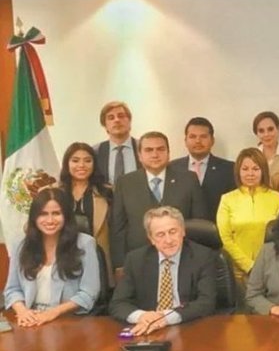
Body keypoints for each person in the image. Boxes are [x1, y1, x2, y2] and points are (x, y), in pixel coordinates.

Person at [111, 131, 209, 277]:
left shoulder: (188, 179)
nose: (155, 154)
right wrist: (119, 265)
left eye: (160, 149)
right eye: (149, 150)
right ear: (139, 155)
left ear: (168, 153)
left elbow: (199, 222)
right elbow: (118, 228)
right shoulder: (125, 182)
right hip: (139, 262)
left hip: (183, 260)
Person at [109, 206, 217, 336]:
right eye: (160, 234)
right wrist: (142, 316)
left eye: (173, 231)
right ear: (151, 238)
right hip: (148, 329)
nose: (168, 240)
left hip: (189, 328)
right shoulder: (136, 260)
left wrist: (166, 318)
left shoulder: (203, 256)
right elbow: (118, 303)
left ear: (183, 231)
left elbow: (206, 302)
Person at [3, 188, 100, 326]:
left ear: (66, 216)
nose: (50, 220)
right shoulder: (20, 245)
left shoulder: (85, 243)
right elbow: (12, 290)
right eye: (43, 214)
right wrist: (23, 311)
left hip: (70, 321)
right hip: (31, 319)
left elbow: (89, 293)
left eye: (56, 213)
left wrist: (53, 313)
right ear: (34, 217)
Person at [217, 148, 279, 304]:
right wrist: (249, 265)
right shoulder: (227, 199)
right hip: (238, 273)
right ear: (238, 171)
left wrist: (262, 267)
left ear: (263, 171)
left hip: (271, 270)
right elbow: (225, 238)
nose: (250, 173)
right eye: (245, 169)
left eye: (255, 169)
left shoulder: (277, 198)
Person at [57, 142, 114, 283]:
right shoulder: (53, 192)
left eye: (88, 160)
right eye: (75, 160)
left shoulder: (108, 192)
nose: (81, 165)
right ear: (67, 164)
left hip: (98, 259)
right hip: (61, 257)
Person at [171, 117, 235, 217]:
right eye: (192, 136)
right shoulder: (172, 168)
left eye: (203, 136)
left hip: (217, 225)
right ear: (185, 141)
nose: (198, 141)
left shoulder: (230, 169)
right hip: (180, 225)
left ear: (212, 140)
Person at [94, 101, 140, 185]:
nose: (117, 120)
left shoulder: (142, 147)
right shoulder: (96, 151)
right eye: (111, 118)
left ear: (129, 121)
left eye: (121, 116)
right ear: (105, 125)